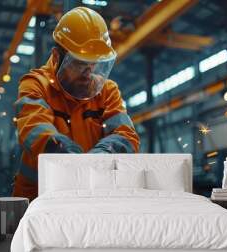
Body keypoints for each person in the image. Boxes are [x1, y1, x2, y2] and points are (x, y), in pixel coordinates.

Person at [12, 7, 140, 200]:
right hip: (37, 198)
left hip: (92, 195)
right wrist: (71, 158)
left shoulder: (107, 90)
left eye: (93, 62)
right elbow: (34, 131)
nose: (88, 71)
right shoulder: (36, 84)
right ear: (57, 57)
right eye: (80, 63)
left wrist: (102, 155)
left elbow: (126, 135)